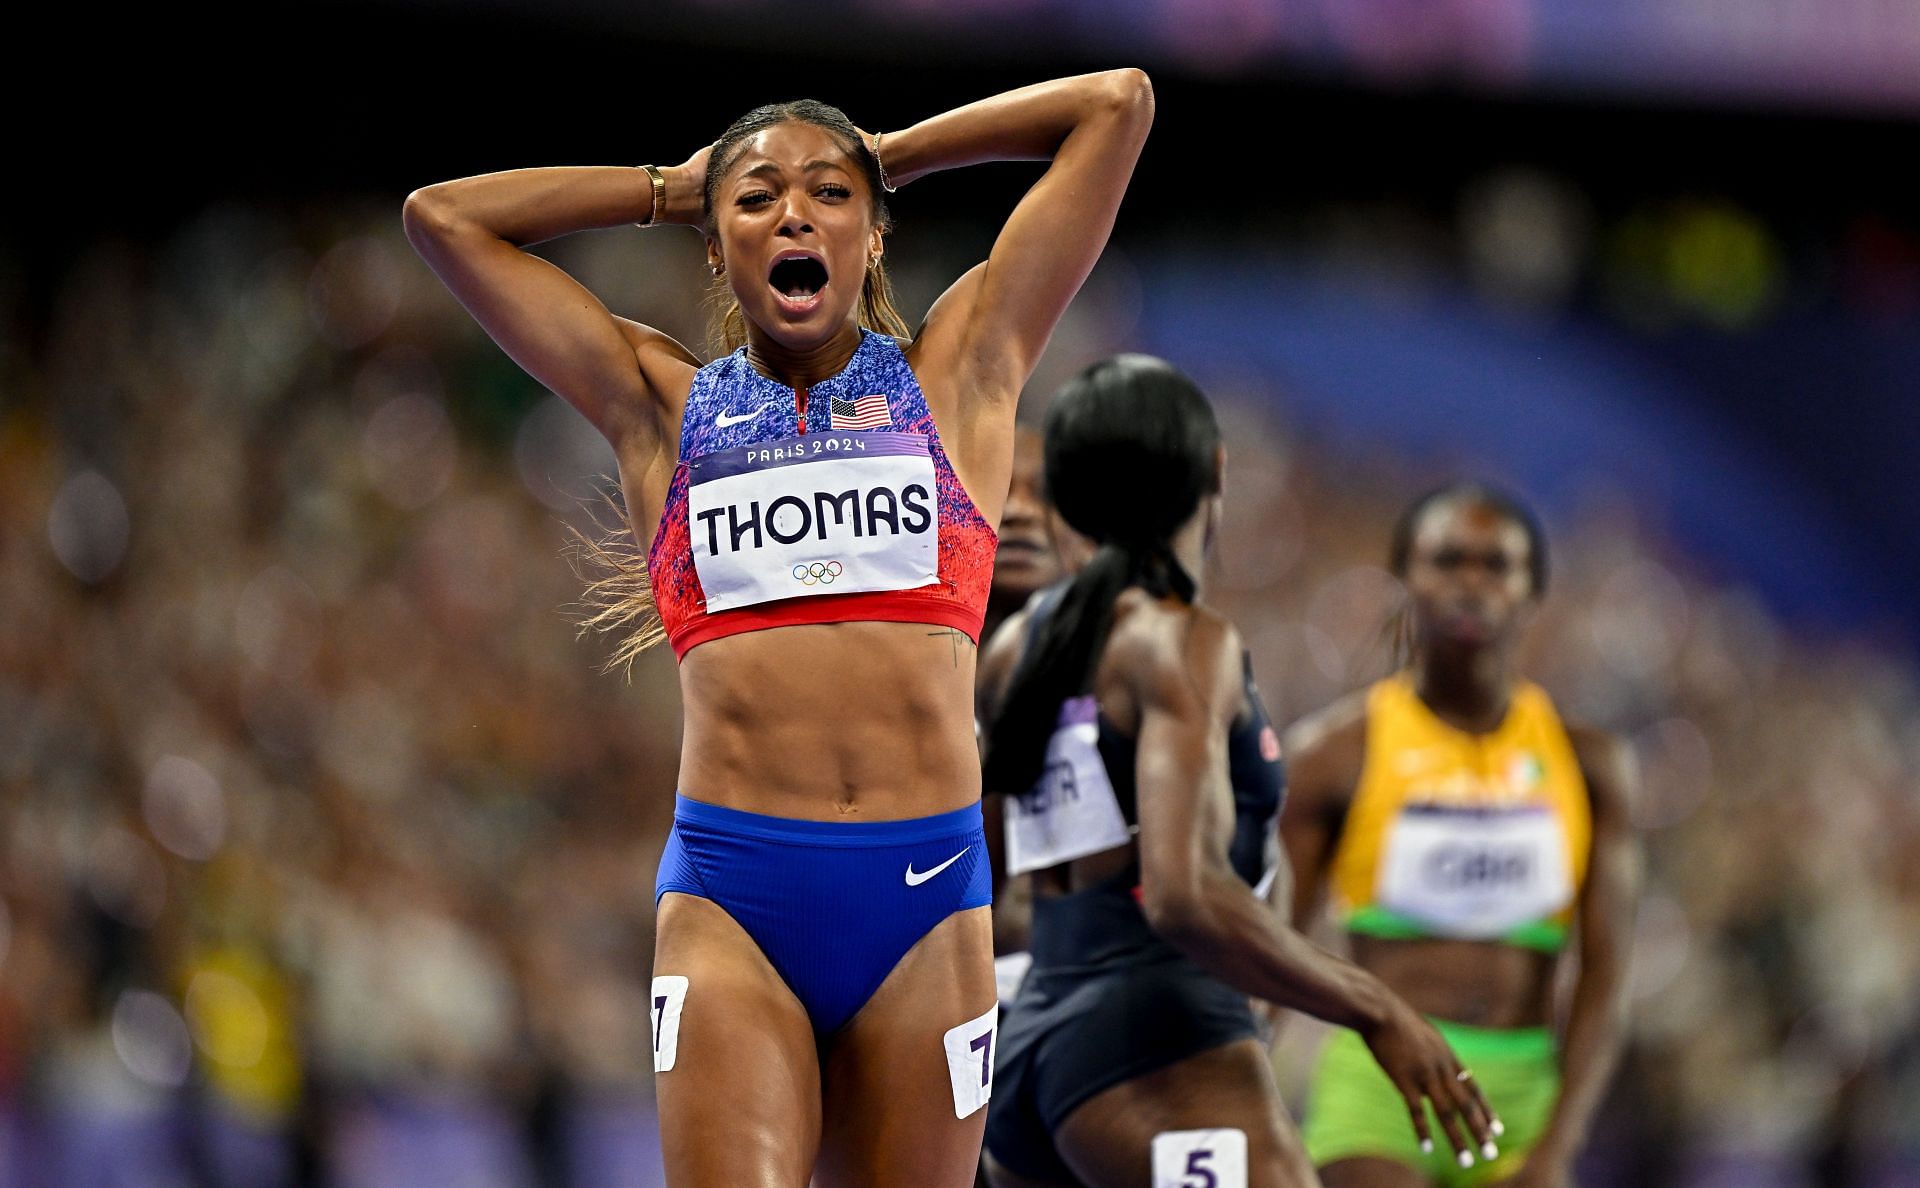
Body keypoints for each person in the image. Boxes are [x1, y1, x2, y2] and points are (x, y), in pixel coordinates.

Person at [402, 69, 1154, 1187]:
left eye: (829, 196)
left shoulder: (962, 373)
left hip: (928, 904)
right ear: (717, 249)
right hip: (732, 901)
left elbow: (1117, 105)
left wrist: (886, 152)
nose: (795, 214)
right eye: (757, 201)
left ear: (873, 237)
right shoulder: (661, 403)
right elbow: (443, 218)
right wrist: (669, 187)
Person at [977, 357, 1499, 1188]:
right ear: (1216, 473)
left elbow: (982, 877)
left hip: (1032, 1064)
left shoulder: (1013, 652)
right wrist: (1378, 1009)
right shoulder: (1182, 643)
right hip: (1159, 1045)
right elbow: (1183, 895)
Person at [1282, 484, 1641, 1188]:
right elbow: (1272, 951)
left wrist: (1558, 1147)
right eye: (1448, 561)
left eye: (1495, 565)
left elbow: (1605, 975)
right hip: (1379, 1087)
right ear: (1405, 579)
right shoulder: (1332, 755)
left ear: (1532, 590)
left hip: (1521, 1094)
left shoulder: (1591, 765)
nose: (1471, 584)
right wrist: (1238, 1091)